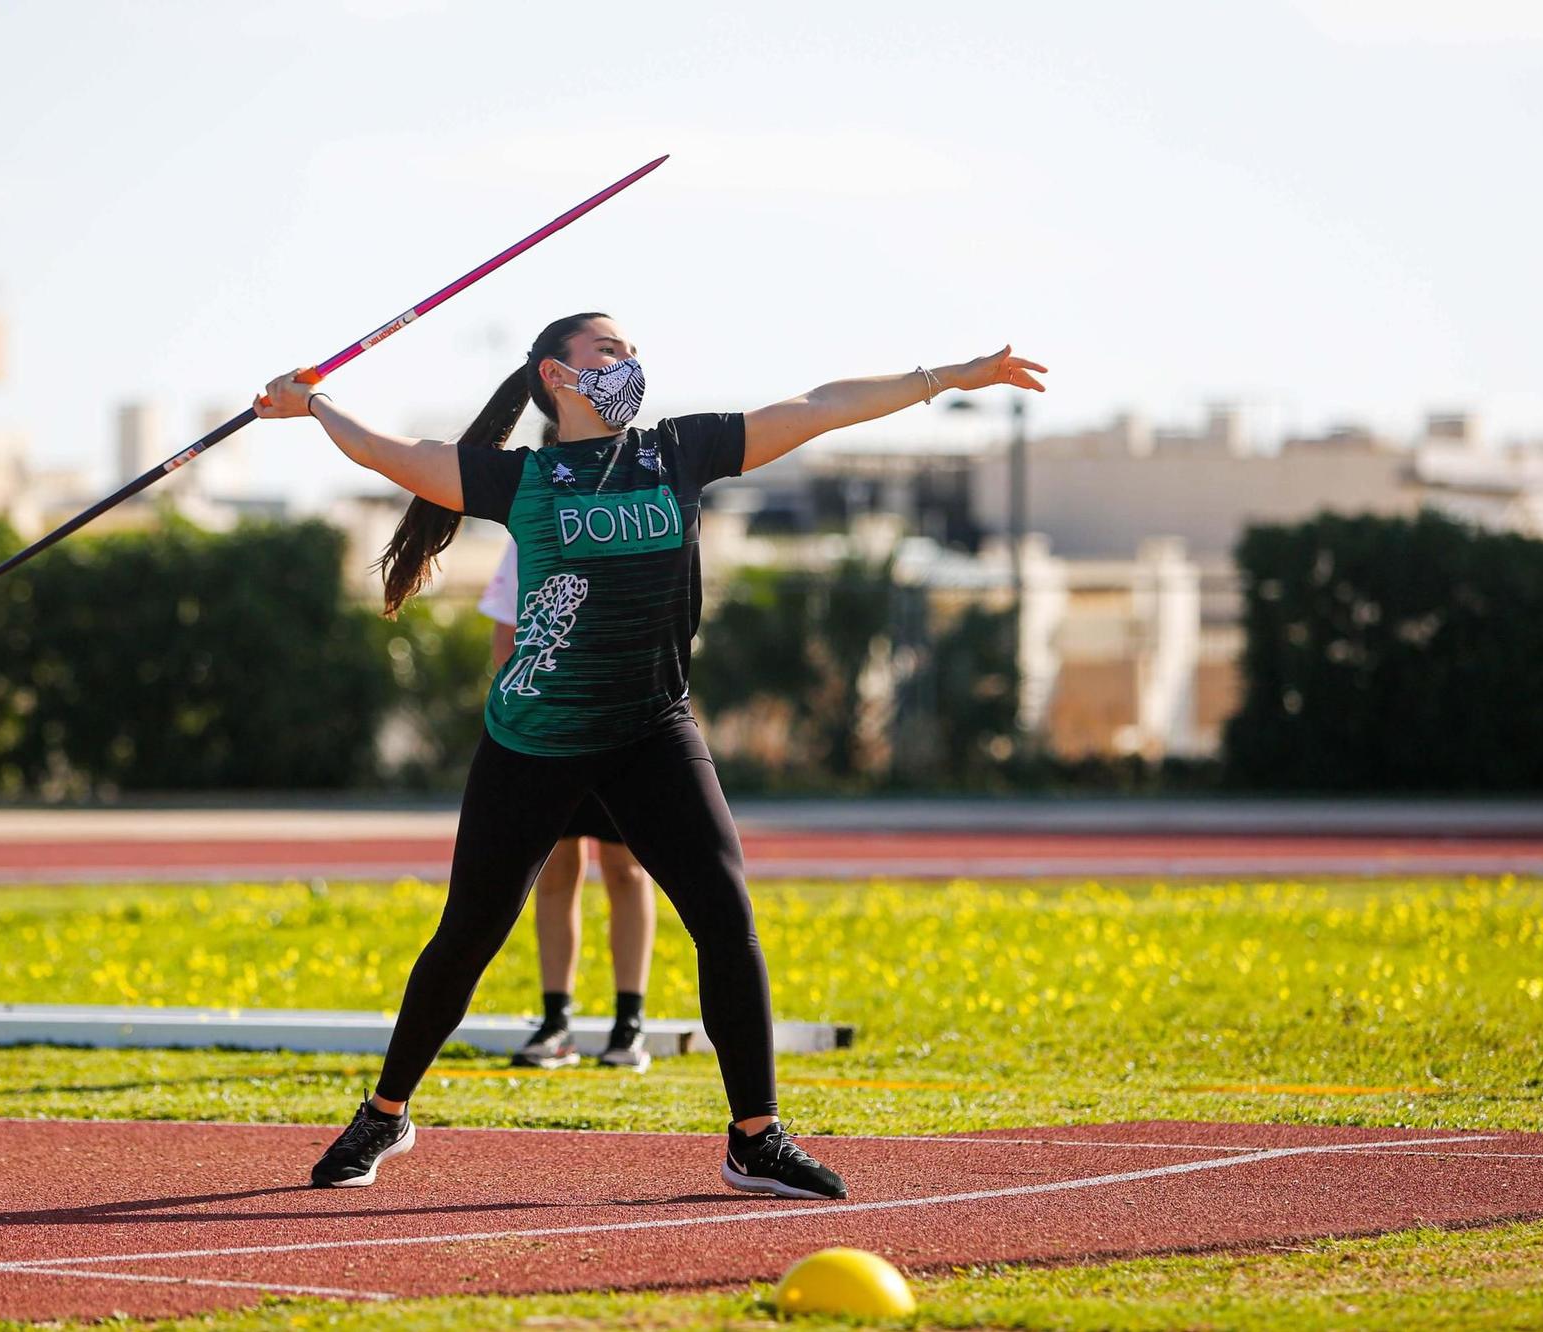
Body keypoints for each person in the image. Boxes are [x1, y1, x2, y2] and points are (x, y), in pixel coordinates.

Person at [255, 313, 1045, 1197]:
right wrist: (313, 402)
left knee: (725, 914)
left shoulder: (679, 452)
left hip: (650, 729)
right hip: (536, 737)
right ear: (556, 375)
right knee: (469, 933)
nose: (629, 361)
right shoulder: (518, 476)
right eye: (609, 350)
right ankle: (386, 1113)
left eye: (631, 350)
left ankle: (757, 1136)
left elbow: (819, 406)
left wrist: (948, 376)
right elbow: (390, 454)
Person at [479, 535, 657, 1073]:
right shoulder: (529, 530)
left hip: (624, 728)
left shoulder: (634, 524)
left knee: (626, 870)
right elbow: (504, 636)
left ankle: (630, 1024)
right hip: (551, 734)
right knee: (555, 871)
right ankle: (556, 1021)